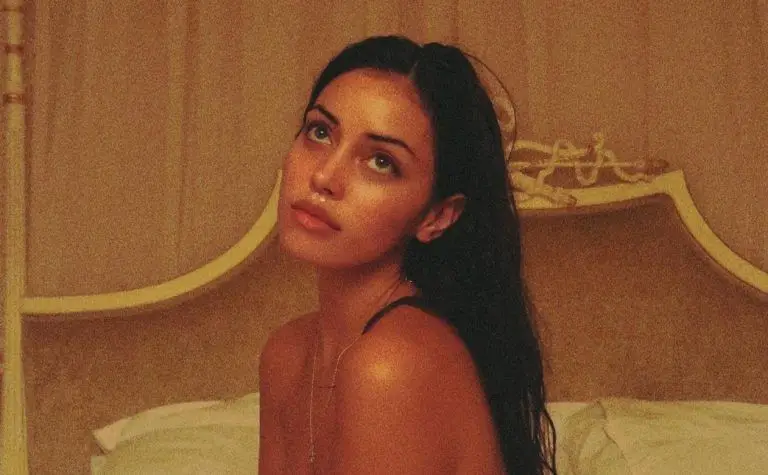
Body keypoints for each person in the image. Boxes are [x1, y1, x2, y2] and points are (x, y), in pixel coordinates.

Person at [259, 35, 556, 475]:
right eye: (320, 132)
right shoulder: (286, 354)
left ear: (437, 216)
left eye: (381, 161)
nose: (324, 176)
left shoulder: (391, 366)